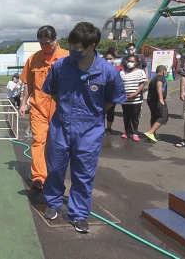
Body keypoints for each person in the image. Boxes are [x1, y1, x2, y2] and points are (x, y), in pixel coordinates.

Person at [41, 22, 126, 233]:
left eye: (77, 48)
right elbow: (51, 91)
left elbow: (113, 98)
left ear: (91, 46)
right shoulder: (61, 66)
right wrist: (67, 110)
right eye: (71, 46)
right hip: (61, 125)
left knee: (84, 173)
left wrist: (94, 113)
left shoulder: (107, 72)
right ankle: (53, 203)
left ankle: (79, 214)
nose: (72, 51)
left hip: (90, 128)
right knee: (55, 168)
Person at [18, 25, 69, 190]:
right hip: (38, 107)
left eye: (47, 43)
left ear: (55, 40)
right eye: (41, 44)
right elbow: (29, 85)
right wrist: (23, 103)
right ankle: (39, 177)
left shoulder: (67, 58)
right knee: (39, 140)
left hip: (60, 109)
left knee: (56, 144)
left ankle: (54, 175)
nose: (44, 47)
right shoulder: (33, 59)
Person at [120, 54, 146, 141]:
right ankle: (126, 132)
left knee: (134, 116)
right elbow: (119, 85)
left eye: (132, 61)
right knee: (126, 116)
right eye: (128, 61)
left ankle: (134, 133)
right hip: (125, 99)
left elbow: (142, 84)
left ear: (136, 62)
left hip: (136, 100)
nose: (130, 63)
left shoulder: (140, 72)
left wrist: (135, 94)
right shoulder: (122, 73)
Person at [143, 65, 169, 143]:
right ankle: (150, 132)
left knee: (155, 116)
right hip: (157, 99)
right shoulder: (161, 77)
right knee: (163, 116)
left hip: (151, 99)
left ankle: (152, 134)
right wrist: (161, 98)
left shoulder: (153, 78)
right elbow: (159, 86)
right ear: (164, 71)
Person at [104, 51, 123, 135]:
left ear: (114, 59)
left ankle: (108, 128)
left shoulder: (119, 69)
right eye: (107, 58)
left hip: (112, 93)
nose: (108, 60)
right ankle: (100, 127)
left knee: (110, 111)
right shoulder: (101, 68)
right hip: (102, 93)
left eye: (110, 59)